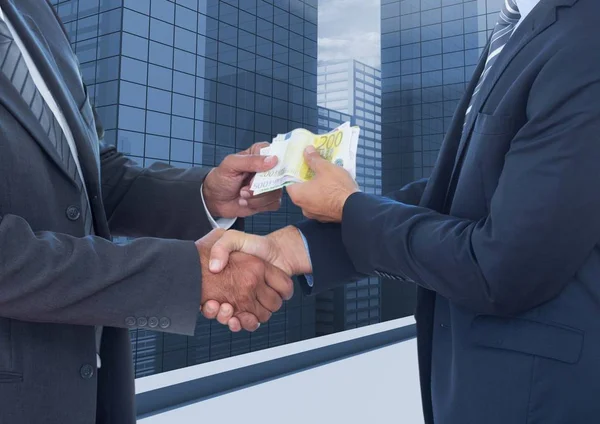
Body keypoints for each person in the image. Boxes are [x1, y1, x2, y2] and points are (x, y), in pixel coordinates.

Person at [203, 0, 600, 422]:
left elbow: (505, 268)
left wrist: (347, 206)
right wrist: (291, 247)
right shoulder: (523, 27)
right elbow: (461, 197)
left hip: (541, 400)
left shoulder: (585, 37)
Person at [0, 1, 293, 423]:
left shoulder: (35, 11)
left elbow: (91, 178)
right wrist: (191, 276)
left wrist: (208, 196)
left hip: (95, 393)